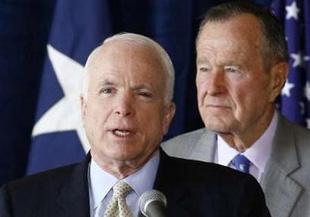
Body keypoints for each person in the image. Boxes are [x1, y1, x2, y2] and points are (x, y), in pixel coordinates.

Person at [0, 33, 270, 217]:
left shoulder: (232, 200)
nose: (123, 108)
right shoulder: (20, 204)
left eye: (143, 94)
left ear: (167, 115)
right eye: (107, 90)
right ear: (83, 107)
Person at [162, 1, 310, 217]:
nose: (212, 87)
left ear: (276, 80)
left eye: (232, 69)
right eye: (204, 68)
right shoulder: (166, 160)